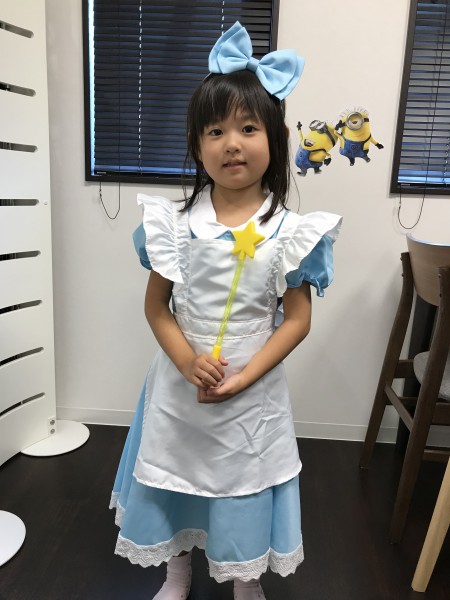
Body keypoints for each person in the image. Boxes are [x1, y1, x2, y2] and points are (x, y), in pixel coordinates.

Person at [110, 22, 342, 600]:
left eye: (247, 128)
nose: (231, 143)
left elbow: (297, 319)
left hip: (251, 392)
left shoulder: (292, 232)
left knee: (244, 485)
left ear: (276, 140)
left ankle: (244, 578)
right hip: (180, 386)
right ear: (197, 146)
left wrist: (246, 376)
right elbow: (157, 307)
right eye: (215, 131)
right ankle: (176, 571)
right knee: (174, 479)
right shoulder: (173, 226)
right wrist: (186, 361)